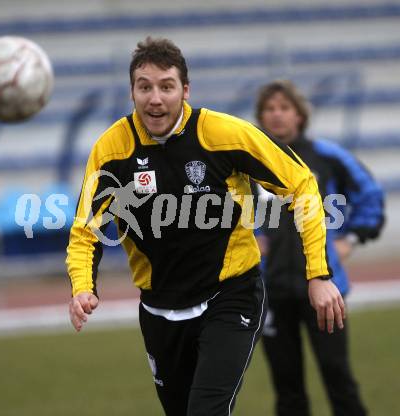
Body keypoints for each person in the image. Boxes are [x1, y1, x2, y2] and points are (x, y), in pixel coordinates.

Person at [66, 37, 345, 416]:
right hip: (159, 309)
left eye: (166, 86)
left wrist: (319, 274)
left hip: (231, 297)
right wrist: (83, 286)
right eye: (144, 86)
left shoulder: (223, 134)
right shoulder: (112, 150)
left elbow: (302, 185)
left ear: (185, 90)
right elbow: (86, 230)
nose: (155, 98)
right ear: (131, 91)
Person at [254, 80, 384, 416]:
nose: (277, 115)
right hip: (271, 290)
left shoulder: (327, 156)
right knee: (287, 387)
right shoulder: (249, 159)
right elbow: (227, 208)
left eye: (285, 108)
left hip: (325, 287)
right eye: (269, 109)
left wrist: (351, 239)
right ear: (260, 116)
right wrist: (246, 238)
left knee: (337, 376)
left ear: (299, 114)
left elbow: (370, 195)